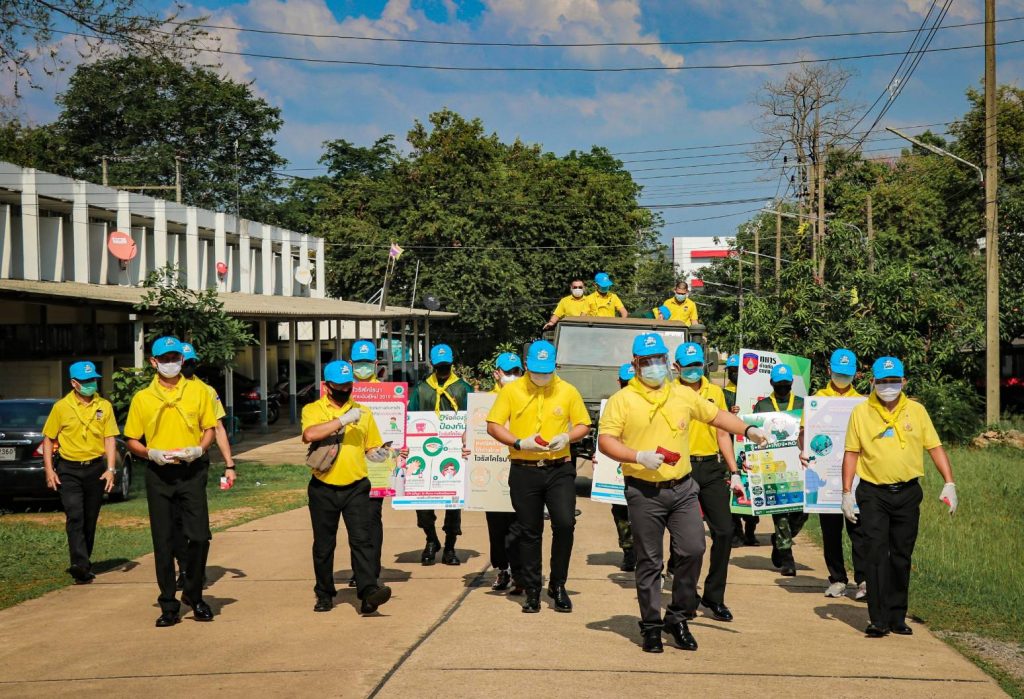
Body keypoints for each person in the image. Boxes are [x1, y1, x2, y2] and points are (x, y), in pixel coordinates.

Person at [598, 333, 767, 653]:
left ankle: (677, 616)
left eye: (658, 359)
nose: (654, 365)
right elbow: (606, 441)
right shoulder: (623, 400)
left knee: (693, 549)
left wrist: (747, 429)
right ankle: (651, 625)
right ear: (636, 364)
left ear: (667, 361)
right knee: (650, 561)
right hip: (644, 492)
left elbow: (716, 416)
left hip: (683, 488)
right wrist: (638, 456)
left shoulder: (681, 394)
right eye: (647, 361)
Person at [841, 356, 957, 637]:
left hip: (907, 492)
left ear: (904, 381)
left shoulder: (917, 411)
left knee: (901, 555)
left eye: (894, 381)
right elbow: (852, 453)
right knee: (876, 553)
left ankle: (897, 616)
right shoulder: (861, 412)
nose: (888, 386)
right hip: (873, 492)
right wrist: (846, 492)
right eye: (883, 381)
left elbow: (935, 447)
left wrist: (949, 482)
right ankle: (878, 619)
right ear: (873, 382)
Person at [486, 340, 591, 613]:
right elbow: (493, 425)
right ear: (526, 366)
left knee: (565, 524)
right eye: (536, 371)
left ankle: (558, 584)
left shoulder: (567, 390)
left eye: (546, 371)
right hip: (524, 469)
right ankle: (532, 589)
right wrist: (519, 442)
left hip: (559, 468)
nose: (541, 376)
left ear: (555, 366)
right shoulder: (512, 391)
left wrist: (567, 437)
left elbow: (584, 424)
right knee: (530, 530)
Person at [124, 336, 218, 627]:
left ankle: (194, 593)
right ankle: (168, 605)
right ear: (154, 362)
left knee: (199, 536)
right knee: (164, 541)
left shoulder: (198, 391)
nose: (170, 363)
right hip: (159, 474)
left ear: (182, 359)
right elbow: (131, 439)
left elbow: (210, 428)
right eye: (164, 359)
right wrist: (149, 453)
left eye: (174, 358)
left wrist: (199, 449)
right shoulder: (143, 398)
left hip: (191, 472)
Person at [301, 360, 394, 615]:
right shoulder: (314, 409)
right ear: (327, 386)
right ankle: (324, 593)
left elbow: (371, 446)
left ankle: (368, 592)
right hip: (323, 486)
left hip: (356, 486)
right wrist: (342, 420)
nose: (344, 389)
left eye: (348, 385)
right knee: (324, 544)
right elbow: (310, 435)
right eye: (339, 385)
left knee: (362, 541)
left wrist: (378, 454)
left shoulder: (363, 412)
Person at [673, 342, 745, 622]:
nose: (693, 370)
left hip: (711, 468)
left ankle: (715, 597)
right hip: (681, 468)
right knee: (686, 538)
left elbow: (722, 432)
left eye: (697, 365)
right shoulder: (669, 392)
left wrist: (734, 470)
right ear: (676, 367)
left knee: (725, 531)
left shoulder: (715, 392)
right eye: (687, 366)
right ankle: (686, 597)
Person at [41, 361, 119, 585]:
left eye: (92, 380)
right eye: (85, 381)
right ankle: (80, 564)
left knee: (89, 517)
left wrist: (110, 469)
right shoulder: (61, 407)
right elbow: (48, 439)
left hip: (95, 469)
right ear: (74, 383)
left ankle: (84, 561)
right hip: (69, 470)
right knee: (75, 514)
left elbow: (109, 438)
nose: (90, 384)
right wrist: (49, 470)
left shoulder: (104, 406)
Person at [799, 348, 868, 600]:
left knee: (858, 531)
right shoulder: (817, 400)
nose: (842, 378)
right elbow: (803, 434)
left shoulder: (863, 403)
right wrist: (803, 449)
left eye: (847, 374)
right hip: (826, 478)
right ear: (829, 370)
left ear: (856, 374)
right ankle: (838, 579)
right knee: (830, 532)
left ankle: (864, 580)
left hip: (856, 477)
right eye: (838, 373)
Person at [172, 342, 238, 589]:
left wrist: (229, 464)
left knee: (195, 518)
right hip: (167, 462)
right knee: (174, 520)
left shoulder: (206, 391)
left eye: (191, 363)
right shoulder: (162, 390)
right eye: (183, 363)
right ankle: (183, 568)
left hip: (196, 461)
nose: (187, 368)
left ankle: (195, 569)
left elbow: (218, 428)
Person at [408, 344, 473, 565]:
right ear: (432, 365)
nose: (443, 369)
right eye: (439, 365)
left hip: (454, 451)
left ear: (452, 363)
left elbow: (473, 419)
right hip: (426, 450)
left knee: (453, 502)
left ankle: (450, 547)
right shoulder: (422, 389)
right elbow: (411, 417)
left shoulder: (463, 388)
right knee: (422, 501)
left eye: (446, 365)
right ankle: (431, 539)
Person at [752, 363, 806, 577]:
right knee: (780, 513)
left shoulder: (803, 404)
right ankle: (787, 558)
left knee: (802, 513)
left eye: (786, 383)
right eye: (779, 384)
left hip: (800, 466)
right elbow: (753, 435)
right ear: (771, 383)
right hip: (773, 467)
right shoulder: (762, 406)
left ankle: (779, 540)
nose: (783, 387)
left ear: (791, 383)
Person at [486, 352, 525, 593]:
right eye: (507, 372)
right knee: (497, 526)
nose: (511, 376)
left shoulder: (528, 398)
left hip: (521, 469)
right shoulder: (485, 401)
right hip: (492, 471)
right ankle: (503, 569)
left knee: (521, 525)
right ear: (496, 374)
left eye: (515, 372)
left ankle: (521, 572)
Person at [724, 354, 759, 547]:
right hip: (731, 447)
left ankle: (751, 531)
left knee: (752, 487)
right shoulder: (724, 393)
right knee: (733, 490)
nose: (735, 374)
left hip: (750, 446)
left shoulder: (754, 390)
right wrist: (730, 414)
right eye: (731, 370)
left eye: (738, 370)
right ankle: (736, 532)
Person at [610, 364, 636, 572]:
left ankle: (645, 553)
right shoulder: (613, 404)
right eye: (626, 383)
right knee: (620, 512)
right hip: (617, 470)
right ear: (619, 382)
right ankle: (629, 551)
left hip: (642, 468)